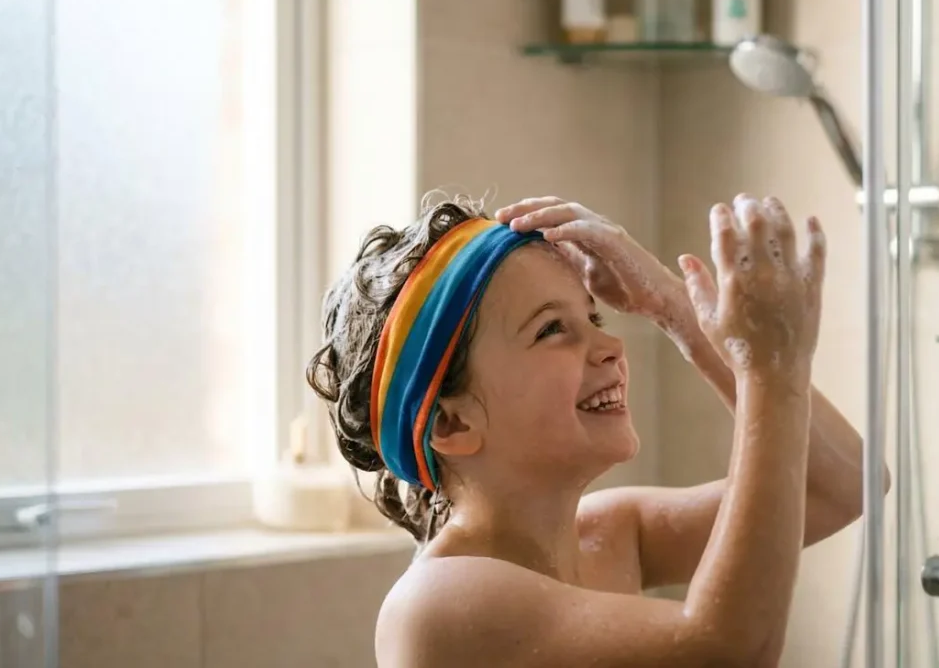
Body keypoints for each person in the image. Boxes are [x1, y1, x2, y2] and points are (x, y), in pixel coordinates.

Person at [308, 191, 886, 667]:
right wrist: (765, 366)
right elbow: (725, 649)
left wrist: (679, 312)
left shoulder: (612, 535)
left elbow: (848, 483)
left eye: (594, 317)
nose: (610, 346)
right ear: (454, 422)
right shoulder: (435, 604)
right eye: (552, 329)